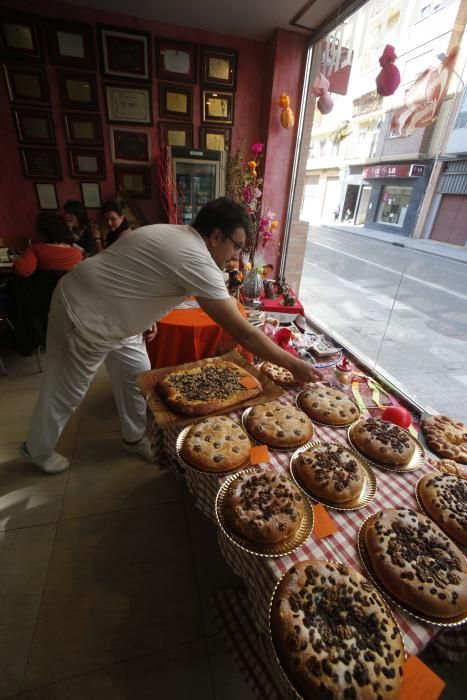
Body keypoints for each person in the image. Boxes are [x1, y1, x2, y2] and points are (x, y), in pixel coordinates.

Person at [20, 197, 322, 475]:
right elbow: (240, 330)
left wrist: (147, 316)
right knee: (66, 389)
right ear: (216, 236)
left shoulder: (178, 235)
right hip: (85, 313)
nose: (237, 256)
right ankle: (37, 449)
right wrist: (294, 364)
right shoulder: (195, 257)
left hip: (119, 319)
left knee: (135, 378)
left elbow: (142, 277)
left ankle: (133, 437)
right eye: (237, 246)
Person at [14, 213, 83, 277]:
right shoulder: (77, 252)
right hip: (67, 289)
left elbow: (24, 271)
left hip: (42, 289)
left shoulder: (35, 249)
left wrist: (18, 260)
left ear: (42, 231)